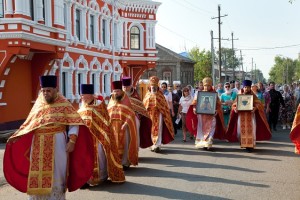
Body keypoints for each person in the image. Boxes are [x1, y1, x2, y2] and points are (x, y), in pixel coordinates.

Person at [4, 75, 94, 199]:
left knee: (57, 174)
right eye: (43, 90)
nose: (45, 93)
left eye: (48, 90)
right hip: (38, 145)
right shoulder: (38, 104)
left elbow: (74, 122)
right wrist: (17, 135)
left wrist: (72, 140)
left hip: (58, 143)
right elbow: (29, 123)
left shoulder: (64, 103)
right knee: (37, 175)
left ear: (56, 89)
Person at [78, 84, 125, 187]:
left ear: (90, 95)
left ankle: (100, 176)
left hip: (98, 137)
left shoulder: (99, 105)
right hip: (85, 138)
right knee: (84, 158)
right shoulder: (81, 106)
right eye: (81, 95)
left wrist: (98, 131)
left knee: (99, 157)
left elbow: (105, 121)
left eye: (83, 95)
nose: (82, 98)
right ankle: (86, 179)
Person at [226, 80, 272, 152]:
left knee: (251, 130)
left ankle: (250, 145)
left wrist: (255, 108)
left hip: (250, 116)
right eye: (245, 87)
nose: (246, 89)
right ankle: (244, 143)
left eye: (248, 87)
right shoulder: (239, 95)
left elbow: (259, 104)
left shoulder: (253, 95)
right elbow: (234, 104)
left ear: (250, 88)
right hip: (241, 116)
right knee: (241, 131)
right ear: (243, 87)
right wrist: (235, 109)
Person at [186, 77, 226, 149]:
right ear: (203, 85)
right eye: (205, 85)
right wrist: (194, 108)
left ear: (211, 86)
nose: (206, 87)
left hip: (211, 115)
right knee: (201, 128)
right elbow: (194, 103)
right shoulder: (199, 93)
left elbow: (218, 105)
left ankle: (209, 142)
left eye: (208, 85)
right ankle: (202, 143)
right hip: (201, 115)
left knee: (211, 127)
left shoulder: (214, 94)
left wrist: (216, 110)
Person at [107, 81, 138, 169]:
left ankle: (125, 162)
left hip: (124, 125)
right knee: (114, 144)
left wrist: (126, 123)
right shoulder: (111, 100)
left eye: (118, 91)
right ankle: (116, 162)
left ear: (121, 91)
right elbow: (108, 112)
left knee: (125, 144)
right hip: (113, 126)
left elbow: (131, 113)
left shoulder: (126, 100)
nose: (116, 93)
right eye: (114, 91)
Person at [143, 76, 174, 152]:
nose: (153, 88)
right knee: (150, 129)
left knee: (159, 129)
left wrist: (161, 109)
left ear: (157, 87)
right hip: (150, 115)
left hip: (159, 115)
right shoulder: (147, 95)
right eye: (152, 86)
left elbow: (164, 106)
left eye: (155, 86)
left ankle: (157, 145)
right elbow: (144, 105)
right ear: (150, 86)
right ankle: (152, 144)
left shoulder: (160, 95)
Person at [122, 77, 152, 149]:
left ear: (130, 86)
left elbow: (141, 108)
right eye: (124, 87)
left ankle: (135, 150)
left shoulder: (135, 96)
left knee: (135, 134)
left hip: (135, 117)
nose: (125, 89)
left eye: (127, 87)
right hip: (122, 117)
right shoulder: (120, 96)